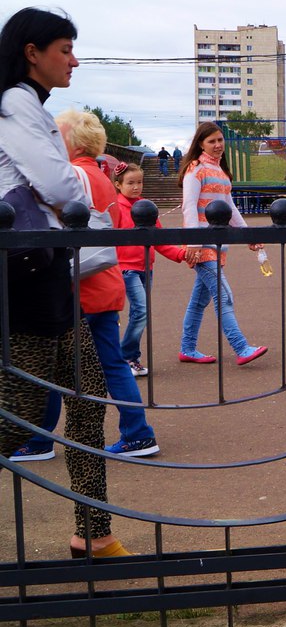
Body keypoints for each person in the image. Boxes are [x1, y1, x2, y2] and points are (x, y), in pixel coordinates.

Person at [0, 7, 128, 558]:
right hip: (27, 276)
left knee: (87, 397)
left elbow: (59, 190)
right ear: (32, 53)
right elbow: (59, 185)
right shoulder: (14, 103)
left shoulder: (30, 106)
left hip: (48, 269)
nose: (74, 60)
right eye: (65, 49)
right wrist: (67, 196)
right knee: (19, 415)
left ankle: (93, 533)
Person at [17, 111, 165, 460]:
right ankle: (138, 433)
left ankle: (39, 440)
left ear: (73, 140)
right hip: (103, 281)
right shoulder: (100, 176)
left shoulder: (72, 175)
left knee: (50, 364)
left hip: (77, 286)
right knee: (111, 363)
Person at [177, 122, 268, 365]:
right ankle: (241, 347)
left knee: (199, 301)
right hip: (202, 245)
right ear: (200, 144)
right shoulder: (196, 169)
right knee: (224, 295)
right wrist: (194, 242)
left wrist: (248, 235)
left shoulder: (220, 171)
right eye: (212, 141)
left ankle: (187, 348)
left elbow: (230, 208)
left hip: (216, 244)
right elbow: (189, 206)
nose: (218, 145)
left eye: (220, 140)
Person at [113, 163, 186, 375]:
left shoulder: (147, 207)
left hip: (146, 268)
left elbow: (159, 240)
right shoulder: (116, 208)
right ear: (118, 185)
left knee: (139, 312)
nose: (136, 187)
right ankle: (126, 356)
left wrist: (180, 254)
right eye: (130, 183)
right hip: (126, 268)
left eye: (139, 182)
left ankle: (130, 358)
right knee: (141, 311)